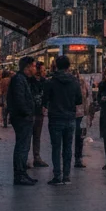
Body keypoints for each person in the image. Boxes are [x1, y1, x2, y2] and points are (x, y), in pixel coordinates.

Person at [41, 54, 83, 185]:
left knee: (56, 147)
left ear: (56, 66)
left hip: (55, 118)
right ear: (69, 66)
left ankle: (57, 175)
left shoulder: (50, 82)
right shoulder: (75, 82)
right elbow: (79, 100)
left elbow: (45, 99)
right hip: (70, 117)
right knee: (68, 147)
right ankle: (66, 175)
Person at [6, 56, 39, 186]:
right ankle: (19, 174)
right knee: (22, 146)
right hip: (22, 118)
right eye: (34, 66)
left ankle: (22, 173)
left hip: (22, 117)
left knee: (24, 146)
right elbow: (20, 100)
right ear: (28, 67)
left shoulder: (23, 79)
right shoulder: (19, 80)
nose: (35, 68)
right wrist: (28, 113)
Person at [30, 62, 49, 169]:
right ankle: (26, 159)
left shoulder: (44, 82)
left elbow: (46, 96)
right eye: (43, 70)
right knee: (28, 136)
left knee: (37, 136)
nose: (45, 72)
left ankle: (36, 157)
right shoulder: (29, 81)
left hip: (39, 113)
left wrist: (45, 105)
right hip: (30, 113)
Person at [73, 74, 90, 168]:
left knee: (79, 137)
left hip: (81, 114)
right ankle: (77, 158)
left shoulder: (84, 85)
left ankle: (78, 158)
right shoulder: (76, 85)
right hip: (75, 113)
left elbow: (87, 98)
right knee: (77, 137)